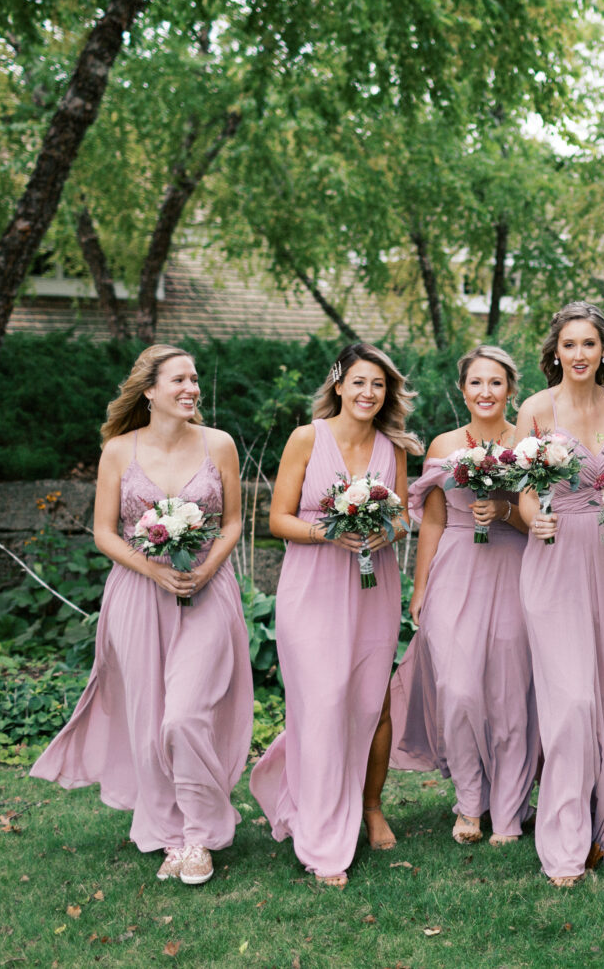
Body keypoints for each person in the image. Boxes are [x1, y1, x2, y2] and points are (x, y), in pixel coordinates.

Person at [31, 345, 251, 886]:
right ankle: (169, 835)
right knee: (149, 719)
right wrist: (152, 570)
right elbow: (105, 531)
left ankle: (201, 833)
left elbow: (233, 524)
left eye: (195, 379)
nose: (191, 388)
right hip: (137, 592)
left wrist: (202, 572)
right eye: (179, 379)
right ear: (149, 390)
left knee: (185, 714)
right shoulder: (118, 450)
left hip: (206, 590)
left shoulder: (219, 445)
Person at [248, 343, 416, 888]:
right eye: (360, 382)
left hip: (374, 587)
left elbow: (405, 517)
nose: (369, 393)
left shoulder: (393, 448)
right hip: (314, 587)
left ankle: (364, 806)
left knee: (366, 702)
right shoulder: (307, 438)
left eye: (379, 385)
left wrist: (383, 529)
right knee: (320, 703)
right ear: (339, 385)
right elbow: (277, 519)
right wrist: (330, 531)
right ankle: (322, 843)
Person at [512, 301, 604, 886]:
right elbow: (524, 492)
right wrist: (532, 518)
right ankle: (566, 843)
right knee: (571, 703)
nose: (579, 354)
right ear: (555, 352)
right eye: (569, 345)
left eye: (589, 345)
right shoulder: (534, 410)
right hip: (553, 560)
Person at [393, 345, 539, 846]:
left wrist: (503, 511)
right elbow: (431, 519)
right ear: (462, 389)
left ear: (510, 389)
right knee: (458, 691)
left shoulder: (527, 442)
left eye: (495, 383)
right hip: (455, 567)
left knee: (510, 694)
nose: (485, 392)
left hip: (515, 565)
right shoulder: (444, 442)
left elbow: (538, 520)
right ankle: (469, 802)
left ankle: (509, 809)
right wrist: (420, 585)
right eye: (476, 383)